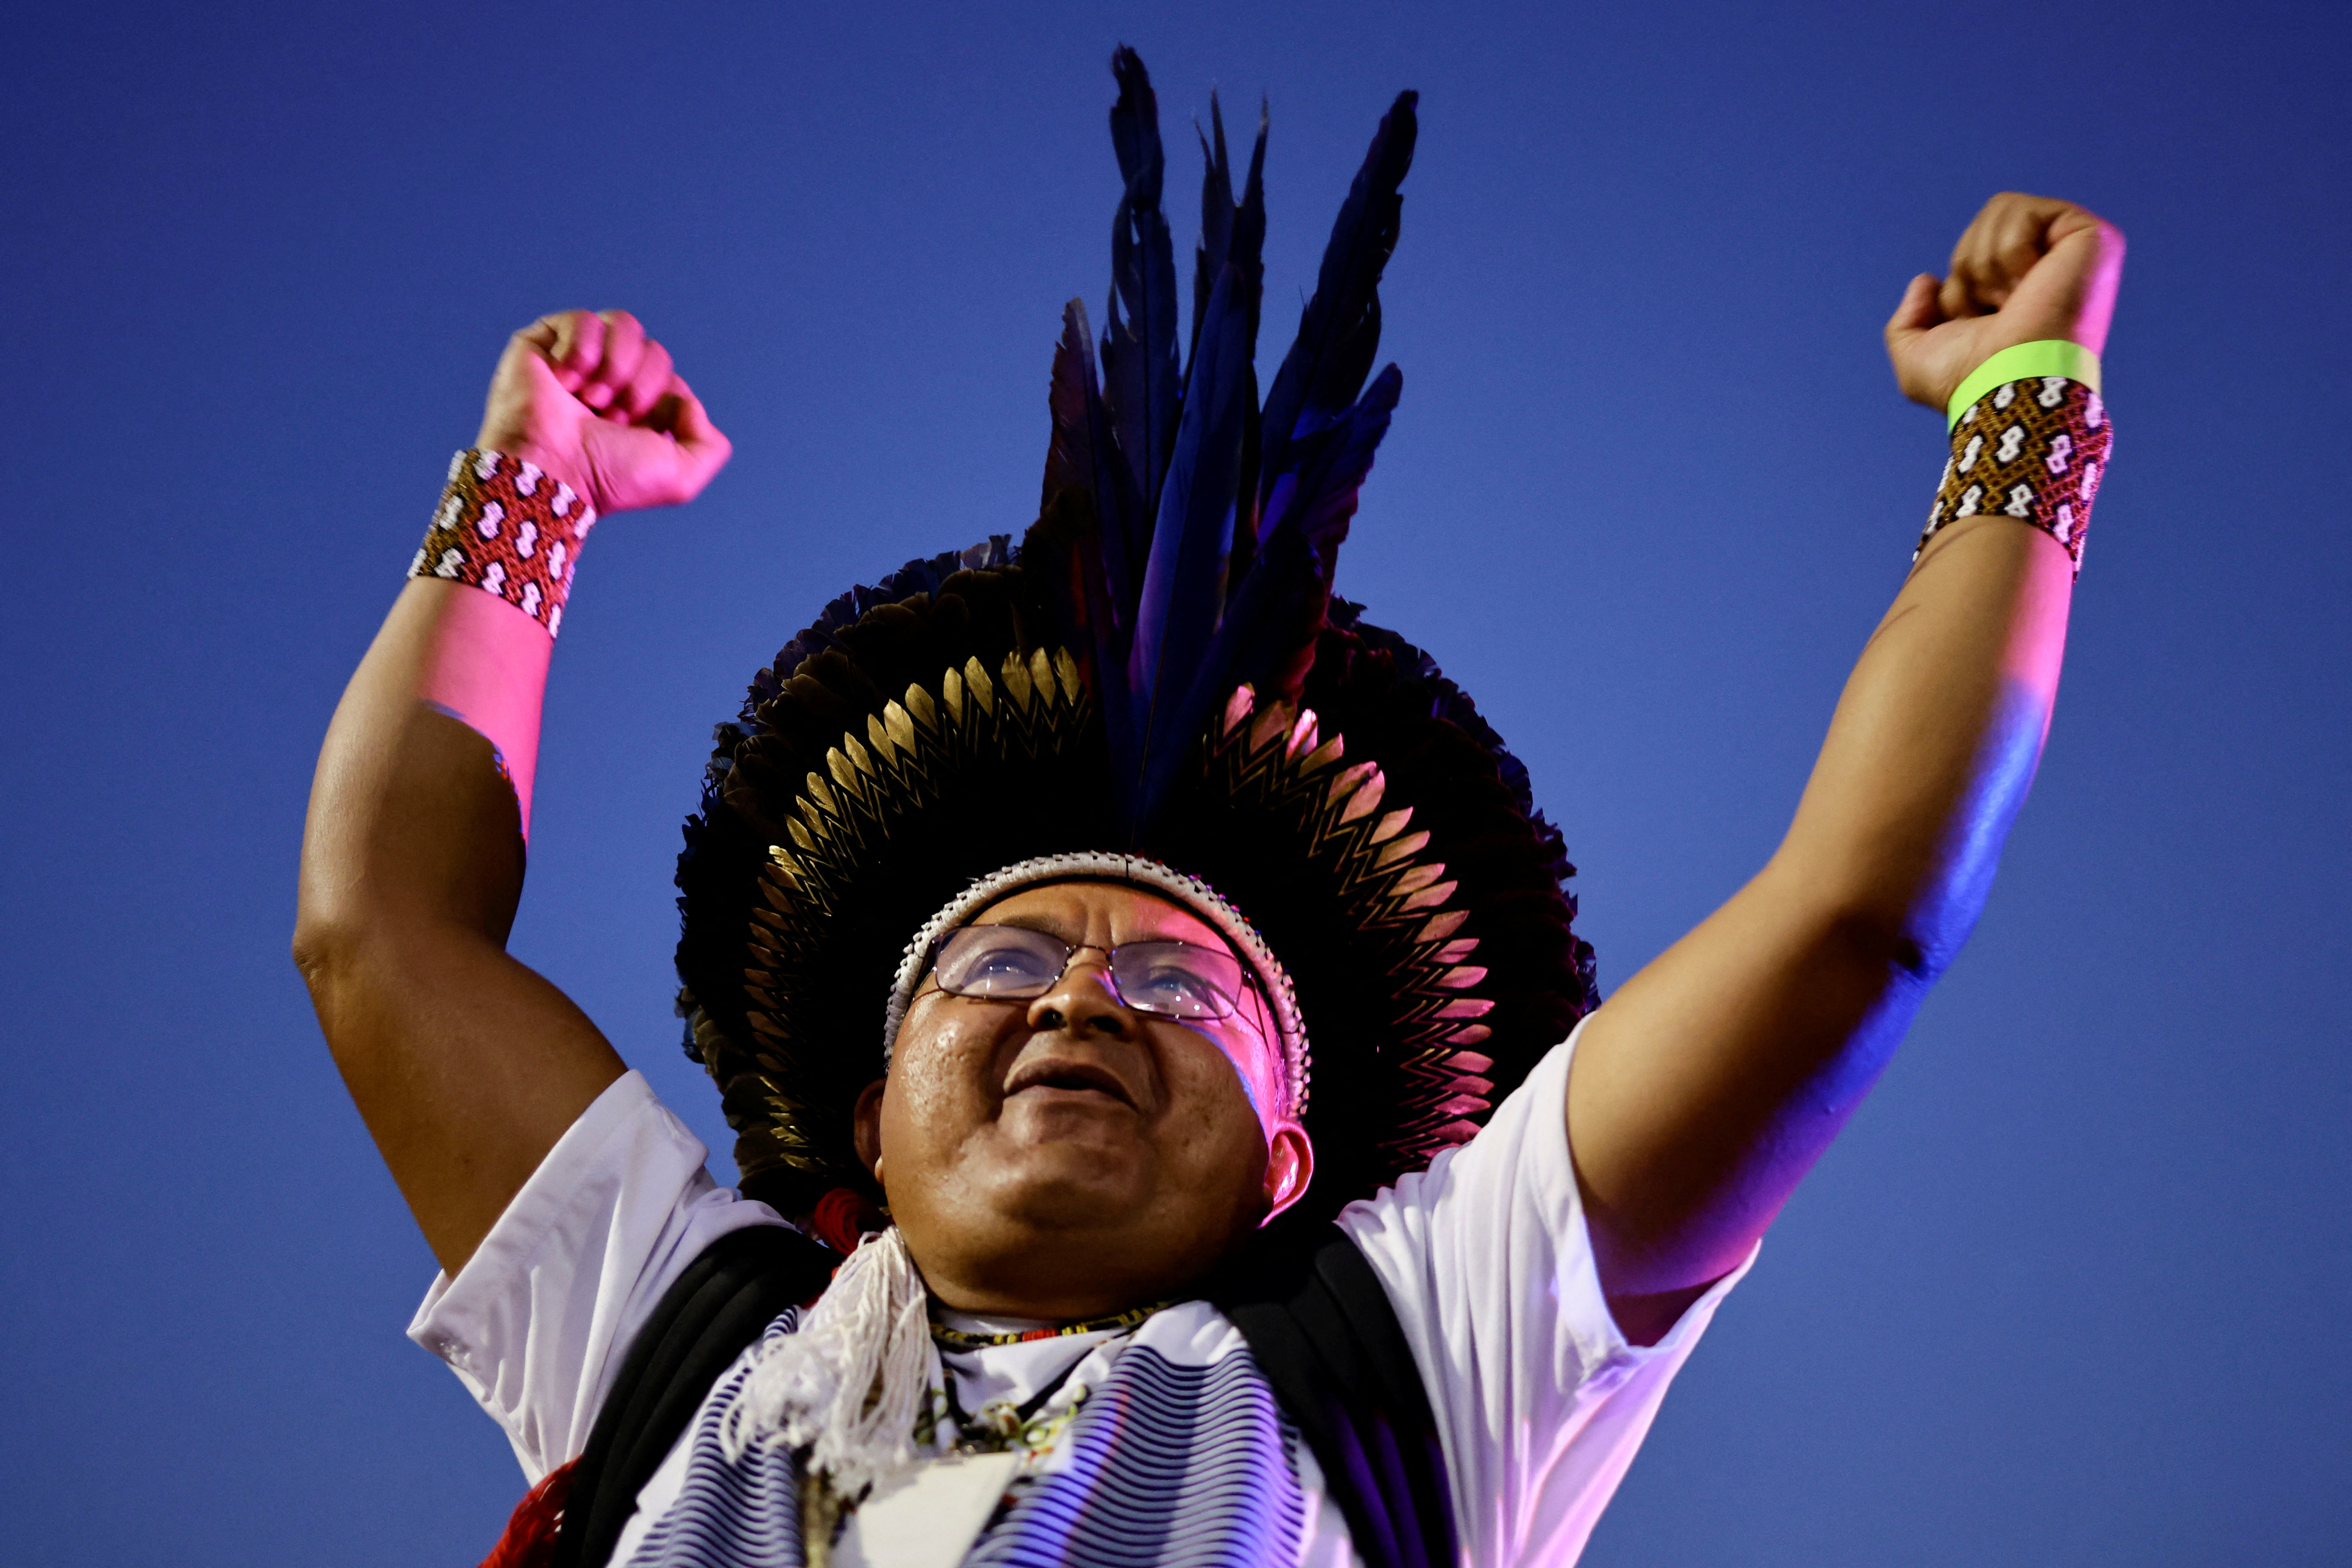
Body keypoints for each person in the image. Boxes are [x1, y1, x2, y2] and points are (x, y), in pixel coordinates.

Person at [294, 48, 2123, 1568]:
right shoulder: (686, 1350)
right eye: (1002, 961)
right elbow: (375, 939)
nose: (1080, 999)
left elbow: (1851, 921)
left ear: (1283, 1166)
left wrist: (2024, 407)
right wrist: (528, 483)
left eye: (1180, 994)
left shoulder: (1414, 1355)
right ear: (867, 1112)